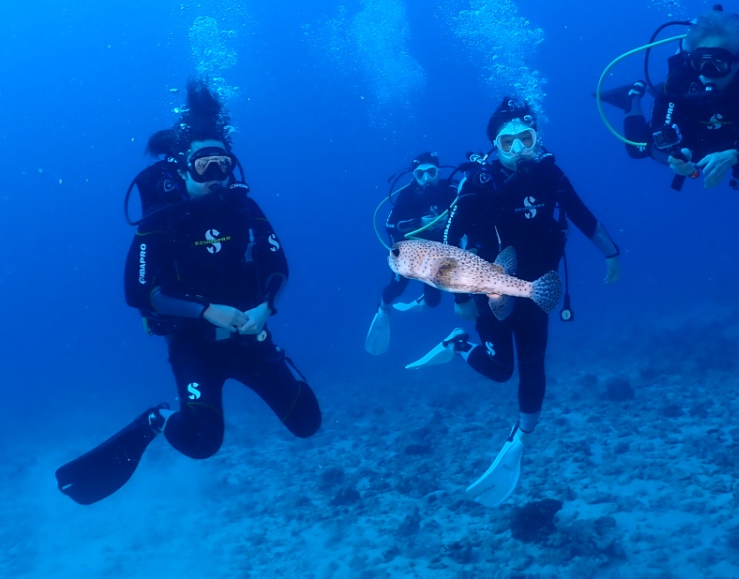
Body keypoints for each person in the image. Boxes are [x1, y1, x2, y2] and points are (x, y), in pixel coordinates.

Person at [55, 81, 321, 505]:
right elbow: (139, 292)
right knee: (202, 442)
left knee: (307, 422)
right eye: (203, 165)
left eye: (223, 164)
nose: (215, 176)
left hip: (250, 336)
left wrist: (265, 307)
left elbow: (278, 266)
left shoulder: (245, 209)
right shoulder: (163, 220)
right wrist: (204, 311)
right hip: (194, 346)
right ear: (183, 168)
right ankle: (158, 419)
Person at [404, 97, 621, 506]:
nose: (519, 150)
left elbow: (582, 215)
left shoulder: (551, 175)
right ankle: (457, 343)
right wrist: (460, 296)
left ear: (538, 139)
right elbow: (449, 242)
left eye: (527, 139)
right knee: (502, 370)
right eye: (508, 143)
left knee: (534, 363)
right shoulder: (479, 183)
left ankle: (520, 438)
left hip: (537, 287)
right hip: (491, 288)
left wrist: (611, 253)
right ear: (494, 146)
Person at [609, 7, 739, 192]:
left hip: (729, 140)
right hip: (688, 128)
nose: (706, 74)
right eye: (700, 63)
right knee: (636, 149)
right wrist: (675, 157)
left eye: (718, 64)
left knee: (734, 154)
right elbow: (659, 131)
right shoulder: (683, 74)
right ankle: (631, 97)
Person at [365, 152, 458, 355]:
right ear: (414, 175)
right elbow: (390, 225)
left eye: (431, 172)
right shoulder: (407, 194)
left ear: (439, 172)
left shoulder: (451, 188)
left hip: (438, 253)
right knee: (397, 287)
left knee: (433, 301)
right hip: (411, 253)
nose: (426, 179)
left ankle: (421, 301)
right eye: (420, 174)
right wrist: (420, 222)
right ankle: (382, 310)